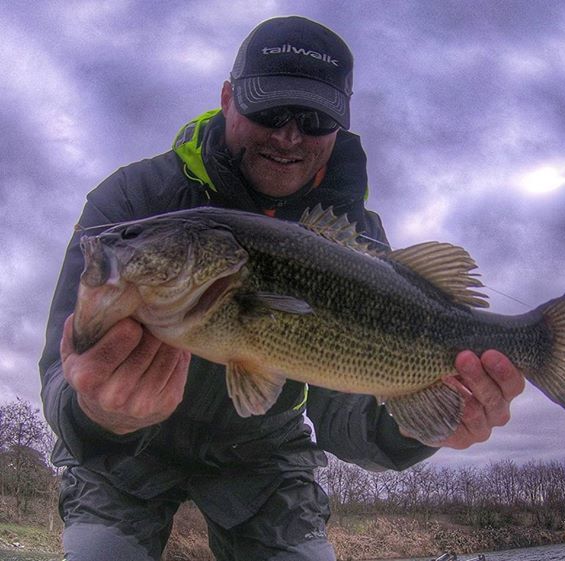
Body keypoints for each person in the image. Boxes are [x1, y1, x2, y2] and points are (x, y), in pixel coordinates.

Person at [40, 15, 525, 561]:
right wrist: (98, 412)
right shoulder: (134, 202)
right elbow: (58, 375)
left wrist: (424, 424)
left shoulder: (357, 242)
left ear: (339, 126)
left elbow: (346, 415)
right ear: (227, 99)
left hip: (265, 455)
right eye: (268, 109)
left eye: (314, 119)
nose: (289, 136)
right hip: (124, 458)